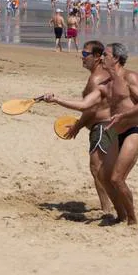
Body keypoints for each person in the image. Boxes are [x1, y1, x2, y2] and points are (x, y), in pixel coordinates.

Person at [39, 40, 115, 217]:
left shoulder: (96, 79)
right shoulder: (101, 75)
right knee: (103, 169)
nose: (82, 57)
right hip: (107, 127)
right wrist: (79, 126)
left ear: (97, 57)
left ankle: (107, 210)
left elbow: (89, 107)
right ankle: (111, 207)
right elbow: (93, 107)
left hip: (103, 127)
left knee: (97, 169)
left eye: (85, 54)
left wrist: (58, 100)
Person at [98, 42, 138, 226]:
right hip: (118, 131)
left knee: (117, 178)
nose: (101, 58)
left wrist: (123, 115)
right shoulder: (107, 83)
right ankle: (120, 216)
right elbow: (88, 104)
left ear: (116, 58)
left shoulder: (131, 77)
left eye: (105, 55)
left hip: (136, 130)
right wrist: (56, 99)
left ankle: (132, 220)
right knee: (103, 176)